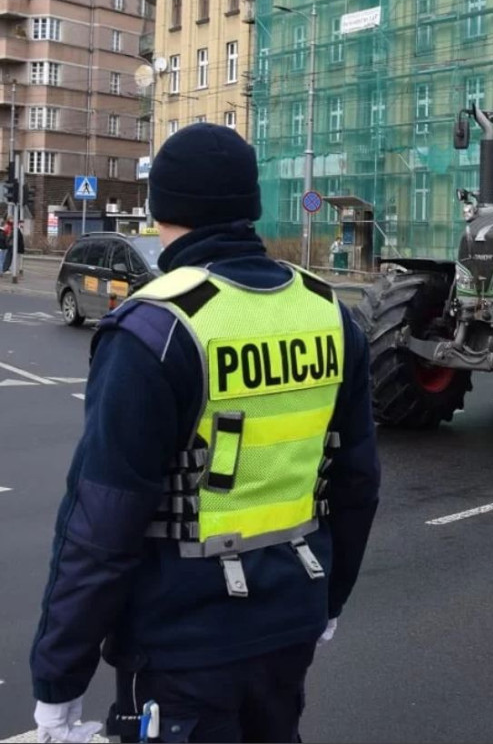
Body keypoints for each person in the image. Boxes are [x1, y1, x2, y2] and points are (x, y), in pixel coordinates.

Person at [28, 123, 381, 743]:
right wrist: (331, 599)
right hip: (289, 623)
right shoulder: (328, 313)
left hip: (180, 645)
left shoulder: (155, 329)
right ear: (250, 206)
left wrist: (59, 680)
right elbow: (356, 483)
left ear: (161, 206)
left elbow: (99, 526)